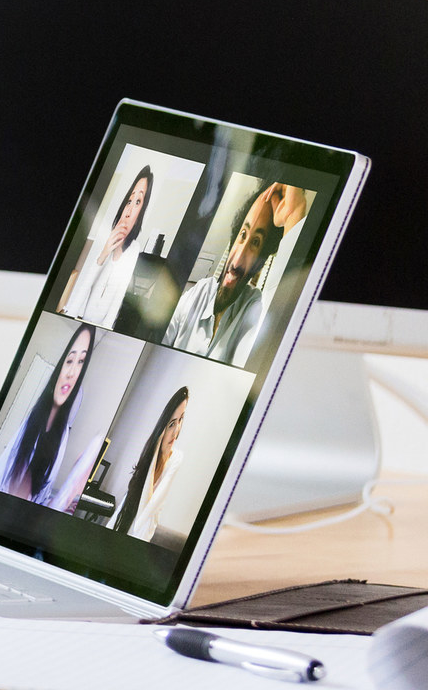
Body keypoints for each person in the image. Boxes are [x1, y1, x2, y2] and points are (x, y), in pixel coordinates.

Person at [163, 183, 310, 367]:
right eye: (243, 234)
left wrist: (293, 215)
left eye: (256, 242)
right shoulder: (198, 292)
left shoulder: (255, 309)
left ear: (260, 263)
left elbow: (280, 312)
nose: (238, 259)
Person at [0, 322, 98, 503]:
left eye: (81, 362)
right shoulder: (32, 423)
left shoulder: (61, 437)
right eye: (69, 360)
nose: (71, 372)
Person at [57, 166, 154, 329]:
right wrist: (103, 254)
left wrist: (104, 330)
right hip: (77, 318)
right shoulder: (105, 236)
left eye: (138, 202)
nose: (129, 210)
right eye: (129, 201)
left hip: (100, 327)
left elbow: (117, 300)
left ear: (141, 212)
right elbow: (77, 299)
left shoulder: (133, 249)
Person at [110, 387, 191, 544]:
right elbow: (126, 505)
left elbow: (149, 509)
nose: (177, 431)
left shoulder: (177, 458)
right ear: (162, 427)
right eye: (172, 424)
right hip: (127, 521)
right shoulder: (150, 455)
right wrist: (155, 450)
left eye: (181, 420)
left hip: (143, 529)